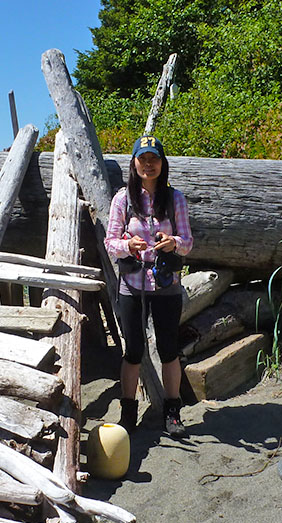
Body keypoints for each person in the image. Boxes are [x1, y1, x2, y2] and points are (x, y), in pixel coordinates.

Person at [104, 135, 193, 438]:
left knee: (169, 350)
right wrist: (128, 245)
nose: (149, 164)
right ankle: (128, 413)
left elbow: (188, 243)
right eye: (143, 159)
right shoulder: (122, 199)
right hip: (132, 284)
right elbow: (110, 242)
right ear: (134, 163)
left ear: (162, 163)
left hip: (167, 284)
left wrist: (174, 242)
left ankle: (173, 414)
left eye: (154, 158)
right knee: (133, 351)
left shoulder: (175, 198)